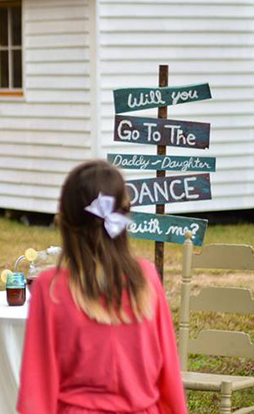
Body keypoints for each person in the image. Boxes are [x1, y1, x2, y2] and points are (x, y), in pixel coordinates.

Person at [17, 160, 187, 414]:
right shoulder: (147, 278)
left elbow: (37, 388)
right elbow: (169, 375)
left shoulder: (50, 288)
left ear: (65, 220)